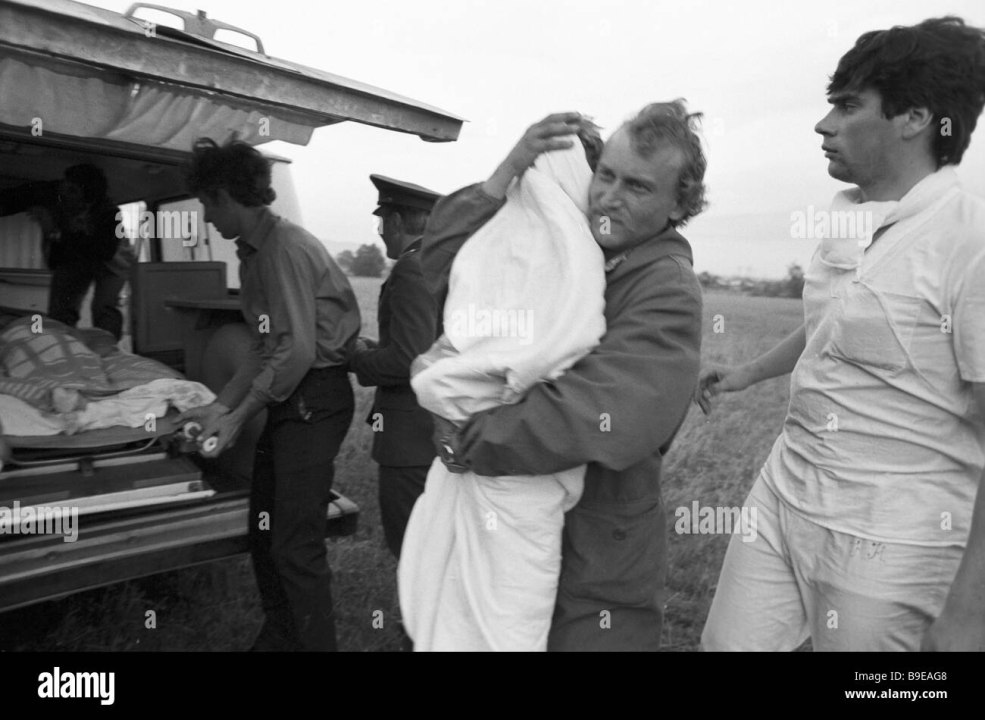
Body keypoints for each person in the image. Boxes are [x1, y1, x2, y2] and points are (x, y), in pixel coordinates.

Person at [697, 16, 985, 652]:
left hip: (895, 531)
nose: (824, 124)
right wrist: (748, 374)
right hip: (785, 487)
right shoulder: (850, 219)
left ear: (914, 117)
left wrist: (971, 614)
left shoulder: (968, 240)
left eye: (848, 106)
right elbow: (832, 325)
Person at [417, 103, 706, 651]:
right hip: (519, 516)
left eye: (638, 187)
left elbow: (605, 413)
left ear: (680, 204)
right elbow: (449, 271)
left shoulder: (665, 288)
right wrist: (506, 175)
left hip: (598, 544)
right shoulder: (569, 248)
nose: (609, 197)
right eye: (606, 176)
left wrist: (469, 433)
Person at [399, 126, 607, 651]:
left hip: (520, 477)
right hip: (486, 470)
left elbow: (558, 350)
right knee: (469, 610)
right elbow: (441, 258)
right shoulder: (508, 246)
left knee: (504, 623)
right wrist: (507, 168)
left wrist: (462, 417)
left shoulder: (581, 257)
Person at [176, 138, 361, 652]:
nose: (206, 217)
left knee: (294, 546)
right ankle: (281, 638)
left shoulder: (282, 250)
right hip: (289, 395)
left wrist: (235, 421)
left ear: (225, 196)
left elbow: (297, 351)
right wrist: (219, 405)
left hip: (314, 399)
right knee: (264, 535)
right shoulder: (254, 255)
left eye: (207, 204)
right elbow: (265, 346)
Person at [349, 175, 441, 560]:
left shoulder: (411, 269)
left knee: (413, 554)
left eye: (383, 221)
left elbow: (409, 360)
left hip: (410, 440)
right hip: (429, 434)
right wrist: (376, 348)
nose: (382, 231)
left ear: (398, 222)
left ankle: (416, 622)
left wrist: (354, 357)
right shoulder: (436, 263)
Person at [31, 164, 134, 340]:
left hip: (114, 261)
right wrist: (50, 233)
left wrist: (63, 235)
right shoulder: (60, 211)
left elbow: (105, 251)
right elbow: (55, 262)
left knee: (104, 308)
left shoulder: (109, 213)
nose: (66, 195)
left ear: (88, 194)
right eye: (64, 189)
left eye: (72, 190)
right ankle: (62, 345)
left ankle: (109, 350)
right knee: (62, 305)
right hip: (79, 257)